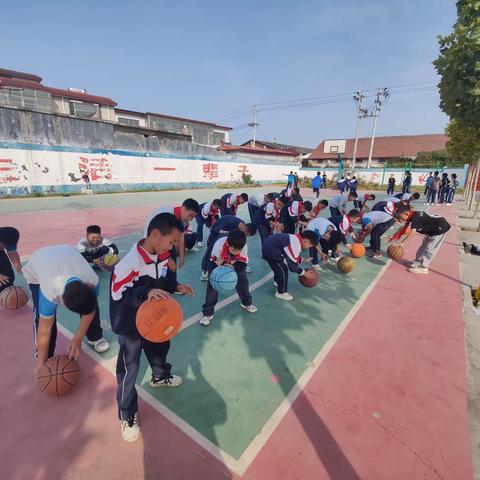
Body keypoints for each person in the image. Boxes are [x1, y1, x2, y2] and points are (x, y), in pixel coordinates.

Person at [110, 213, 193, 442]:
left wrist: (177, 287)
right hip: (131, 326)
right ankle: (127, 415)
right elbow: (119, 292)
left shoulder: (162, 256)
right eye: (172, 241)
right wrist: (145, 293)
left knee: (160, 350)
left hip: (155, 320)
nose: (173, 246)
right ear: (155, 234)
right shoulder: (129, 264)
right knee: (129, 370)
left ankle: (160, 376)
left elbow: (162, 283)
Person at [23, 245, 111, 368]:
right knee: (43, 317)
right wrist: (41, 365)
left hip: (65, 253)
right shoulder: (50, 293)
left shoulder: (92, 280)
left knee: (90, 304)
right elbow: (45, 329)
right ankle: (46, 356)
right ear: (63, 302)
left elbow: (90, 309)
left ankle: (95, 337)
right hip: (38, 265)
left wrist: (78, 337)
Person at [200, 230, 257, 326]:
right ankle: (207, 313)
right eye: (234, 250)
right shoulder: (218, 246)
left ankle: (246, 303)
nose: (237, 252)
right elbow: (211, 264)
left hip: (234, 263)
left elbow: (243, 264)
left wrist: (233, 267)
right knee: (212, 284)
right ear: (227, 244)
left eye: (239, 250)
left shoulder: (243, 247)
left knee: (243, 281)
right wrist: (218, 265)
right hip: (218, 262)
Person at [389, 207, 451, 274]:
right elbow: (405, 229)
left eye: (400, 217)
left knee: (430, 248)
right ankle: (417, 262)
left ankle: (424, 267)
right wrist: (394, 236)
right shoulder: (413, 216)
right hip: (432, 229)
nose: (400, 219)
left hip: (439, 229)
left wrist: (402, 243)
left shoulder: (416, 217)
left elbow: (413, 232)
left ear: (406, 213)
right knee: (423, 247)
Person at [262, 231, 318, 301]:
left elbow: (291, 256)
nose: (308, 248)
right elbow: (292, 267)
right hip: (271, 250)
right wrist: (304, 273)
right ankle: (281, 292)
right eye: (310, 246)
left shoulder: (296, 239)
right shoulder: (296, 244)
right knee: (283, 269)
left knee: (279, 268)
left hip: (270, 247)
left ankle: (277, 282)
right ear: (306, 241)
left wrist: (302, 260)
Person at [144, 199, 200, 267]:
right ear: (183, 208)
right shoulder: (167, 217)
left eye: (193, 217)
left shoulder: (182, 218)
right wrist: (167, 259)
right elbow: (158, 239)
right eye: (190, 215)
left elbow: (181, 235)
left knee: (171, 262)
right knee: (158, 264)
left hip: (163, 238)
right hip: (152, 237)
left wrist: (182, 256)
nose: (190, 219)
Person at [200, 215, 257, 280]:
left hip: (226, 236)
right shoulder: (230, 223)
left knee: (233, 249)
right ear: (244, 229)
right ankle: (205, 270)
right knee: (210, 251)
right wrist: (226, 233)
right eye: (246, 235)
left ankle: (235, 263)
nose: (245, 236)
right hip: (216, 233)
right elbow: (216, 229)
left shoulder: (241, 226)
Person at [0, 227, 21, 294]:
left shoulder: (8, 238)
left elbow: (12, 252)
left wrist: (18, 266)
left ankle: (7, 294)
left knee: (7, 277)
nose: (5, 248)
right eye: (3, 246)